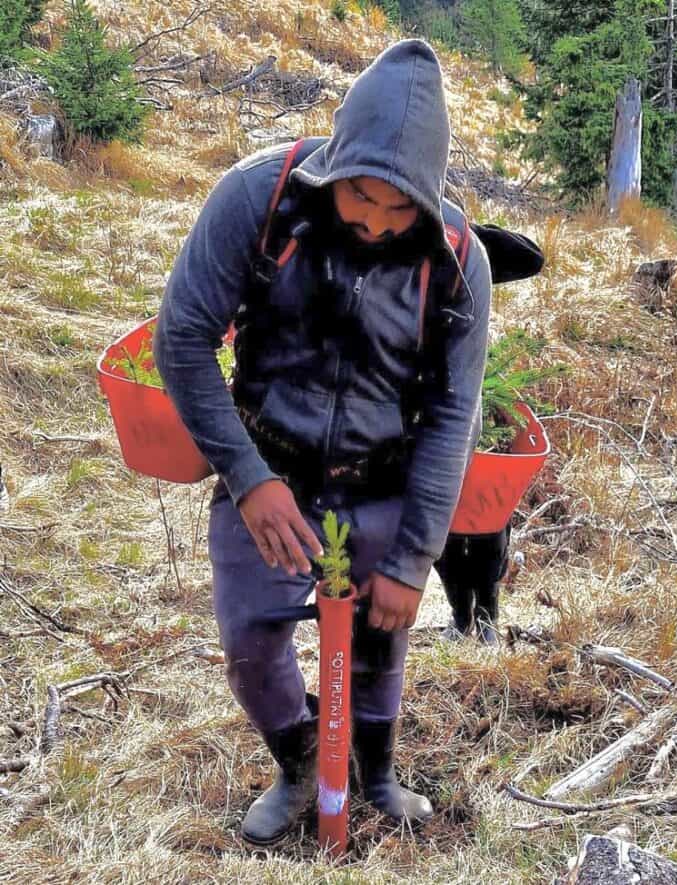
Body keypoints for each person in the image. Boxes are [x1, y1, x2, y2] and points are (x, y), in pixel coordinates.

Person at [154, 39, 501, 846]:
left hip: (385, 474)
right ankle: (301, 758)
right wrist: (246, 475)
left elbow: (455, 415)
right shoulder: (256, 199)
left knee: (383, 634)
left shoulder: (459, 264)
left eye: (398, 209)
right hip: (271, 464)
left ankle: (374, 772)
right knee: (248, 636)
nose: (375, 225)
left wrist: (415, 559)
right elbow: (181, 339)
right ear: (336, 162)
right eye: (360, 200)